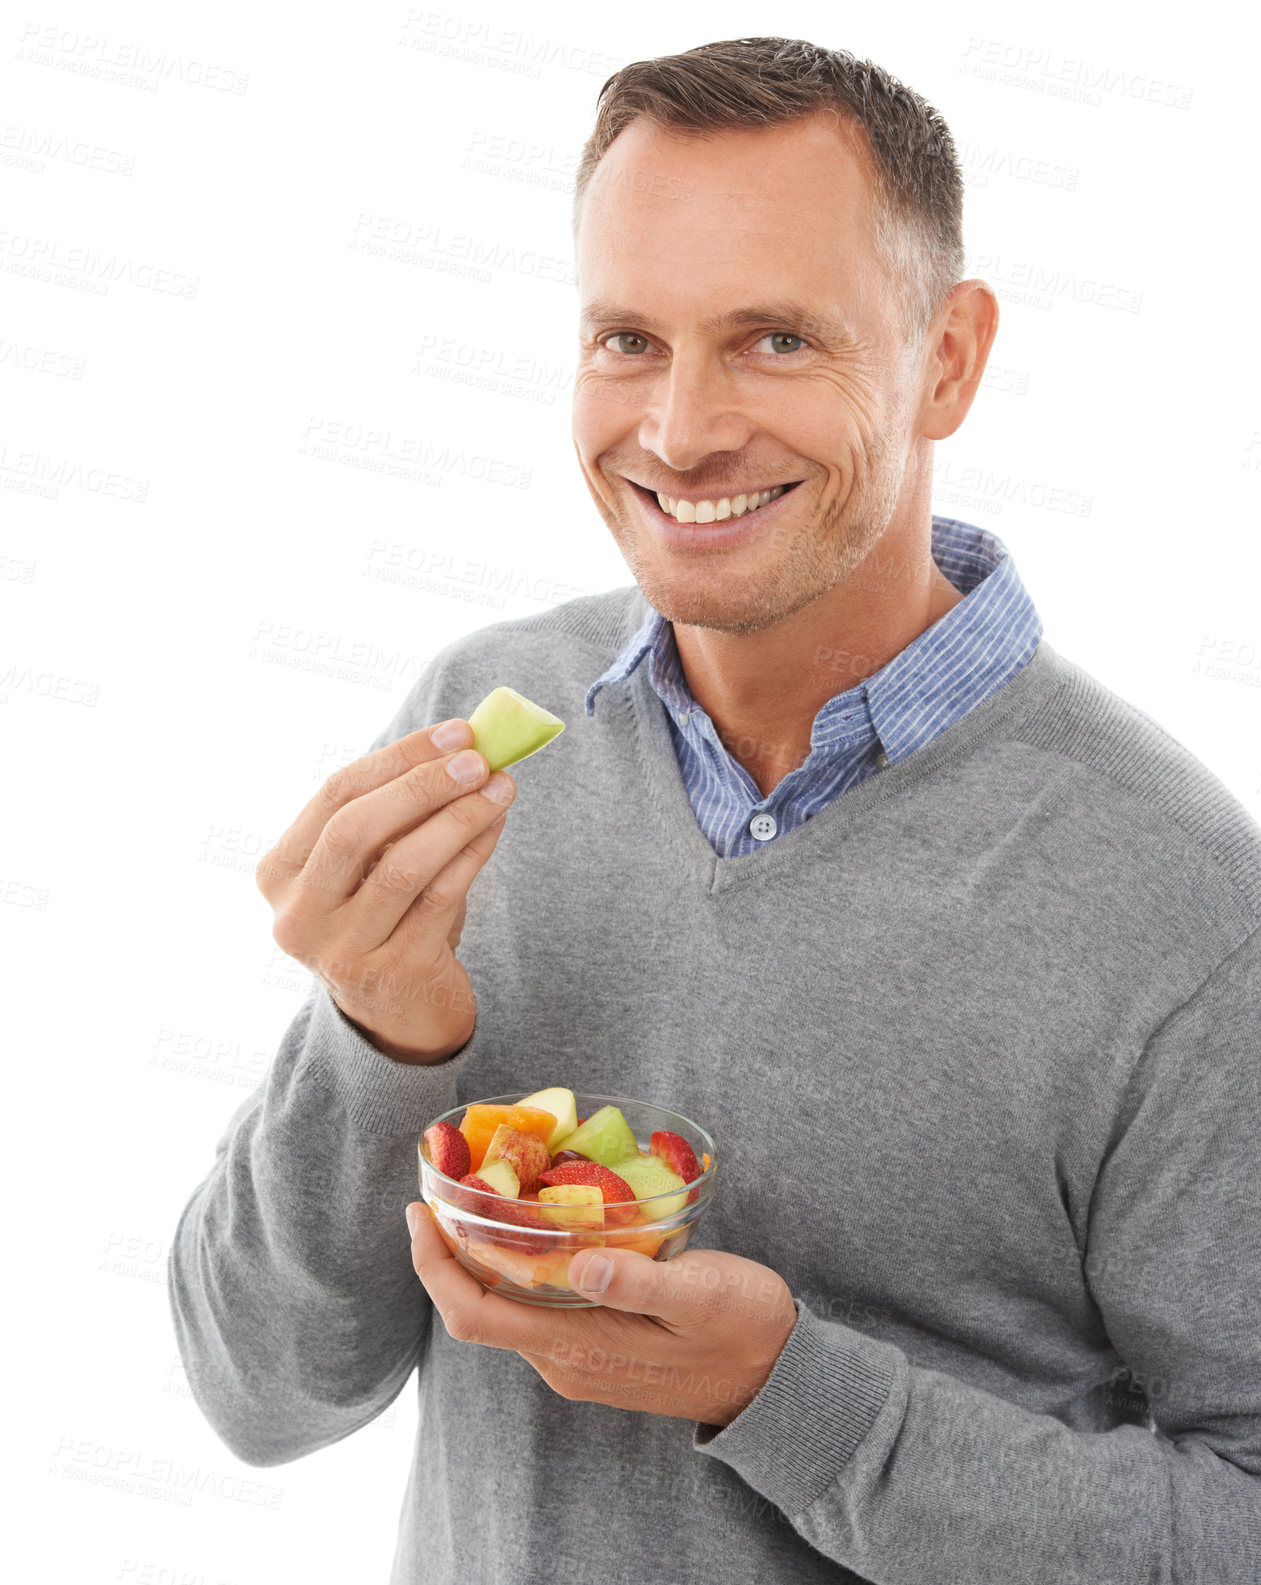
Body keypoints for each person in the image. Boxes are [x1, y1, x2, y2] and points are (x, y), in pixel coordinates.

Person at [167, 37, 1261, 1585]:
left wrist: (782, 1394)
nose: (678, 431)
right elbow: (254, 1395)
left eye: (771, 341)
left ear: (946, 356)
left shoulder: (1183, 904)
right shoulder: (477, 728)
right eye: (626, 336)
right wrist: (379, 1036)